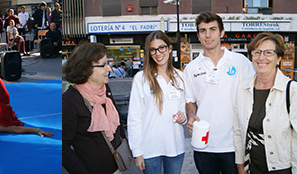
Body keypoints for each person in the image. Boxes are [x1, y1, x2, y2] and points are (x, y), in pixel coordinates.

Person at [183, 11, 255, 174]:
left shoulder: (240, 62)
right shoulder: (191, 68)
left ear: (222, 32)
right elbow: (190, 101)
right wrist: (191, 116)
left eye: (213, 29)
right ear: (198, 35)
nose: (208, 35)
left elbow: (252, 96)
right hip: (203, 145)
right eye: (203, 30)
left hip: (234, 145)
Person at [234, 32, 297, 173]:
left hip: (282, 168)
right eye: (257, 52)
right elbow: (238, 131)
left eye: (268, 52)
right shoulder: (243, 88)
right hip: (252, 167)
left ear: (279, 58)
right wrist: (240, 166)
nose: (261, 58)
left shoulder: (291, 90)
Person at [127, 31, 186, 174]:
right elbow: (134, 118)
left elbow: (184, 108)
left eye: (162, 48)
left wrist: (183, 117)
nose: (158, 53)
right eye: (153, 50)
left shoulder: (180, 76)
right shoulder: (141, 78)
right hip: (149, 149)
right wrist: (137, 152)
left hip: (175, 147)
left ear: (170, 48)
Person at [62, 43, 127, 173]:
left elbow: (118, 122)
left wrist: (124, 144)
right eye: (103, 65)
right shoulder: (71, 100)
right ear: (86, 69)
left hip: (118, 166)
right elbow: (62, 147)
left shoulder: (105, 89)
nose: (109, 69)